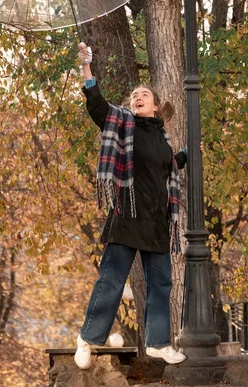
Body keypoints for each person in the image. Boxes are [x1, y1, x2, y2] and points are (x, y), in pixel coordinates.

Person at [74, 42, 187, 370]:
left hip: (156, 221)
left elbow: (168, 165)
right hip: (127, 214)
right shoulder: (123, 123)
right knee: (110, 280)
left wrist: (187, 153)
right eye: (135, 95)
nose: (137, 98)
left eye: (144, 95)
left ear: (155, 107)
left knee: (161, 283)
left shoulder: (162, 139)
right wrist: (87, 69)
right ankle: (88, 339)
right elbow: (97, 107)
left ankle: (158, 343)